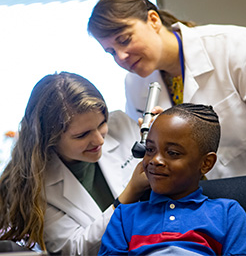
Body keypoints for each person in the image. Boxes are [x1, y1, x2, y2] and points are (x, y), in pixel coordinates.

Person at [87, 0, 246, 179]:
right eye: (111, 52)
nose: (121, 57)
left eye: (124, 40)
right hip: (195, 198)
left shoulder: (235, 45)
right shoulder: (135, 83)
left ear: (153, 20)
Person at [0, 72, 149, 255]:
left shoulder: (121, 124)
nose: (99, 140)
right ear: (50, 140)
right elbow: (75, 249)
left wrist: (164, 138)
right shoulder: (38, 187)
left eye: (102, 124)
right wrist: (129, 195)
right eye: (82, 135)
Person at [98, 103, 246, 256]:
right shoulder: (124, 217)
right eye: (150, 149)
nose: (155, 160)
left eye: (172, 153)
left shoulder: (227, 214)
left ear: (206, 163)